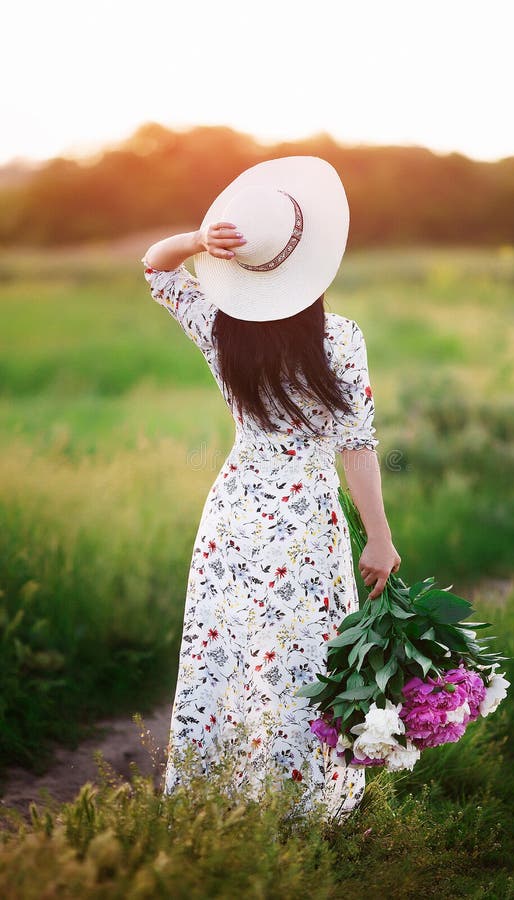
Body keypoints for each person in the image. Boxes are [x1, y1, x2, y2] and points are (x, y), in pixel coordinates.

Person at [141, 156, 401, 822]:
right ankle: (306, 804)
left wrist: (199, 241)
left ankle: (222, 794)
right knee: (307, 650)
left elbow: (154, 265)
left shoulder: (220, 329)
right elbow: (357, 443)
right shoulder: (339, 338)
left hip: (236, 509)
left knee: (229, 648)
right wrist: (380, 535)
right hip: (308, 516)